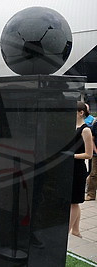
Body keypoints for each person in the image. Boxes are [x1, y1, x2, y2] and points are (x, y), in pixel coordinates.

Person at [69, 101, 93, 238]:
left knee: (74, 201)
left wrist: (71, 156)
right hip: (71, 167)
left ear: (81, 112)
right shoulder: (73, 127)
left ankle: (68, 230)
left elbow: (88, 154)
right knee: (74, 201)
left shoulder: (85, 130)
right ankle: (76, 230)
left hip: (78, 169)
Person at [86, 119, 97, 201]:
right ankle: (91, 194)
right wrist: (96, 150)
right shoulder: (96, 124)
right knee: (93, 174)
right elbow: (92, 139)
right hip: (96, 154)